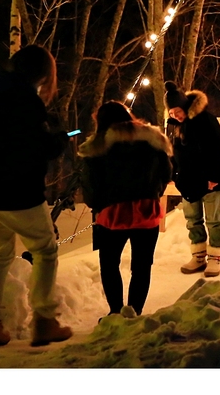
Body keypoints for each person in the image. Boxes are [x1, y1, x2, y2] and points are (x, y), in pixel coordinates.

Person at [0, 45, 73, 350]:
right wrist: (57, 140)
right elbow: (34, 148)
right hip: (18, 192)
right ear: (41, 73)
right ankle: (43, 320)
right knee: (45, 250)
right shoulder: (26, 101)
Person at [78, 101, 173, 317]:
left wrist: (97, 204)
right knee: (142, 265)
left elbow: (90, 184)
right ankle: (135, 311)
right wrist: (153, 192)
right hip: (146, 210)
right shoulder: (152, 139)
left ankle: (115, 311)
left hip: (112, 214)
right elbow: (166, 173)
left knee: (109, 264)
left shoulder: (97, 145)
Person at [164, 81, 220, 277]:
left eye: (177, 111)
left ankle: (215, 258)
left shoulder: (205, 120)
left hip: (210, 179)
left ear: (184, 106)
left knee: (213, 220)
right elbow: (173, 153)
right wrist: (173, 175)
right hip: (188, 181)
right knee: (192, 220)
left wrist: (213, 177)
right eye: (171, 113)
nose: (175, 115)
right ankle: (198, 256)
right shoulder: (175, 127)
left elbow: (218, 149)